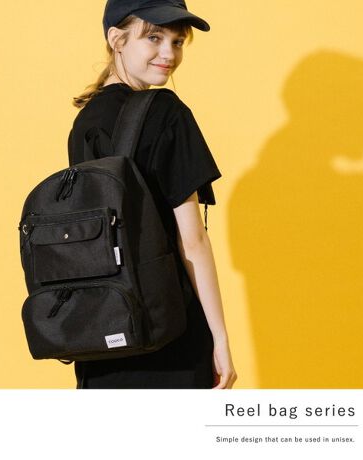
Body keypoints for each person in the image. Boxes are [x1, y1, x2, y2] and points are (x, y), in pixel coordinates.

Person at [68, 0, 237, 389]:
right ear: (117, 39)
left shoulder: (84, 121)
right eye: (154, 38)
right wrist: (220, 339)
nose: (169, 54)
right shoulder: (166, 112)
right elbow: (192, 241)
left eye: (177, 41)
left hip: (100, 330)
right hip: (169, 331)